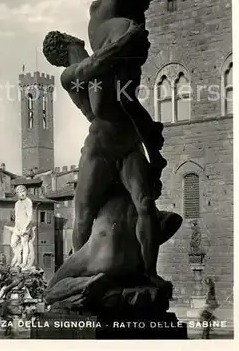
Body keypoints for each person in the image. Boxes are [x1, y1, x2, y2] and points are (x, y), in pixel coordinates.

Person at [43, 28, 176, 288]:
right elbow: (95, 63)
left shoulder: (105, 65)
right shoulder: (71, 76)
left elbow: (129, 104)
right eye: (69, 36)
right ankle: (79, 278)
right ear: (66, 42)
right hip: (100, 145)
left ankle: (149, 273)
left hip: (128, 140)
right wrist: (127, 39)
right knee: (83, 216)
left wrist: (153, 149)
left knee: (145, 205)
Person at [56, 0, 165, 175]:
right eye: (146, 1)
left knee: (125, 100)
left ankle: (151, 148)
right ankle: (152, 149)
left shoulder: (120, 9)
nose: (144, 10)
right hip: (119, 53)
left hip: (120, 53)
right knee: (126, 101)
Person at [10, 185, 34, 269]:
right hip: (17, 227)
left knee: (25, 244)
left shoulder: (28, 201)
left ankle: (24, 262)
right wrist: (16, 227)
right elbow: (16, 216)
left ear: (26, 192)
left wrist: (25, 227)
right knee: (12, 244)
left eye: (23, 191)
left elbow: (30, 217)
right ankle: (18, 258)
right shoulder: (17, 204)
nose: (21, 193)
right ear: (17, 194)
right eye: (19, 192)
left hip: (25, 227)